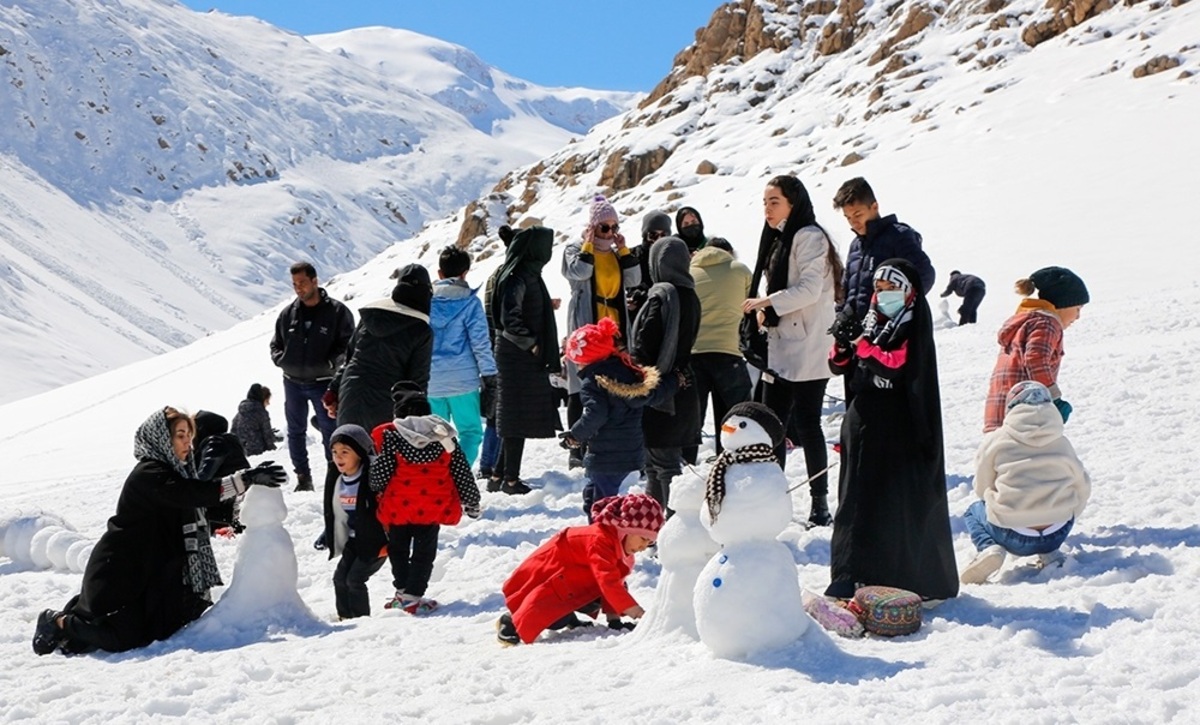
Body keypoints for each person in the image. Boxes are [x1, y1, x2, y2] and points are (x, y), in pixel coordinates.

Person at [32, 407, 286, 655]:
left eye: (189, 435)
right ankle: (57, 622)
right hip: (121, 569)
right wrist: (246, 479)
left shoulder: (178, 471)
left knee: (167, 625)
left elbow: (196, 500)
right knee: (122, 639)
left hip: (152, 570)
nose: (188, 442)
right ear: (161, 438)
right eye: (180, 435)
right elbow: (194, 494)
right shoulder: (149, 472)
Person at [825, 259, 958, 602]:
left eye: (890, 289)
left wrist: (860, 344)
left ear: (908, 292)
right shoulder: (871, 323)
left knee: (890, 504)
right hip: (863, 421)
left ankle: (896, 577)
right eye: (878, 289)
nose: (882, 295)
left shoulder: (911, 326)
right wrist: (842, 344)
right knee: (854, 501)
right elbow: (840, 366)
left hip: (897, 428)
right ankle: (850, 575)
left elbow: (896, 364)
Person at [742, 175, 843, 527]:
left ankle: (819, 503)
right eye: (765, 202)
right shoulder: (781, 237)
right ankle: (773, 498)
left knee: (808, 424)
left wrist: (767, 301)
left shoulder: (808, 236)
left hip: (809, 347)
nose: (768, 209)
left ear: (793, 202)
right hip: (783, 346)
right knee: (773, 425)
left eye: (775, 202)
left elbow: (810, 290)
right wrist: (764, 311)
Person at [961, 381, 1092, 584]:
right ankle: (1049, 553)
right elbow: (1082, 485)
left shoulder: (996, 440)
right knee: (1055, 505)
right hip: (1058, 531)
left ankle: (989, 548)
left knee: (973, 511)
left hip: (1011, 533)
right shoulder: (1062, 442)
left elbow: (981, 486)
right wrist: (1068, 514)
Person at [370, 382, 481, 615]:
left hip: (398, 507)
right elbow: (461, 471)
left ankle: (403, 591)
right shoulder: (444, 437)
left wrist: (375, 490)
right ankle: (413, 595)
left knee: (398, 548)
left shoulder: (391, 437)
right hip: (432, 509)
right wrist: (471, 500)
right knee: (424, 553)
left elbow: (381, 473)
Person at [496, 493, 664, 645]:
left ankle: (567, 614)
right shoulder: (599, 540)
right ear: (625, 529)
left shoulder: (619, 544)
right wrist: (639, 614)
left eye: (649, 543)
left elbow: (616, 580)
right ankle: (510, 621)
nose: (644, 546)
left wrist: (615, 621)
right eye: (642, 538)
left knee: (584, 596)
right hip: (552, 571)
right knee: (548, 611)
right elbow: (609, 583)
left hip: (573, 579)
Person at [560, 317, 679, 518]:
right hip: (628, 452)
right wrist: (674, 381)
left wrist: (575, 435)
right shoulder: (627, 373)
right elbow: (652, 393)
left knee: (601, 507)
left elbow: (595, 413)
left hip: (606, 456)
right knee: (594, 497)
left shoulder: (593, 382)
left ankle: (603, 542)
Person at [562, 195, 640, 468]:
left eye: (614, 227)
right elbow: (580, 272)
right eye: (603, 227)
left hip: (614, 325)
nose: (609, 233)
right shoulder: (575, 248)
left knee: (615, 382)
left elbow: (634, 280)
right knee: (580, 385)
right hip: (587, 325)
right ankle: (576, 446)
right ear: (592, 226)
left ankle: (608, 441)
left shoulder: (616, 254)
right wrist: (588, 244)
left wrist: (625, 250)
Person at [629, 237, 701, 512]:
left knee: (660, 463)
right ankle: (659, 524)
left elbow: (645, 343)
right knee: (662, 460)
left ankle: (670, 522)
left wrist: (634, 367)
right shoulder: (690, 294)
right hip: (683, 385)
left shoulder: (662, 295)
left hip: (660, 389)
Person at [270, 261, 354, 491]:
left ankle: (334, 473)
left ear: (315, 281)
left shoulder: (337, 312)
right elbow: (275, 344)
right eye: (295, 284)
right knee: (295, 431)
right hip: (292, 382)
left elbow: (348, 345)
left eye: (303, 283)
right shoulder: (288, 314)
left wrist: (330, 363)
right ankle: (303, 477)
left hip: (323, 383)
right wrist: (281, 360)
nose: (299, 288)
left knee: (331, 429)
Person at [491, 226, 562, 494]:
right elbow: (511, 319)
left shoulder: (525, 273)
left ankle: (499, 475)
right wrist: (531, 345)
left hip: (517, 353)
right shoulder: (518, 275)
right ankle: (510, 479)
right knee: (515, 415)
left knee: (514, 414)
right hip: (517, 354)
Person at [324, 263, 433, 436]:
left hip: (351, 394)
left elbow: (350, 359)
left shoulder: (371, 316)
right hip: (387, 403)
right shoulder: (421, 330)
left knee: (350, 455)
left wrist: (333, 390)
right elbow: (417, 380)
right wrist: (418, 418)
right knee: (383, 459)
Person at [982, 266, 1089, 433]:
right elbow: (1035, 358)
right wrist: (1054, 399)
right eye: (1077, 309)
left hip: (999, 410)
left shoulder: (1024, 322)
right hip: (1024, 412)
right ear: (1063, 303)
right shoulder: (1047, 323)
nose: (1078, 316)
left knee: (1003, 456)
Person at [828, 177, 935, 341]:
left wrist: (894, 314)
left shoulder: (899, 236)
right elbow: (847, 288)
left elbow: (925, 275)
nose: (854, 222)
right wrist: (842, 316)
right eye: (848, 217)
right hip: (858, 339)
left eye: (858, 214)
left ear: (874, 206)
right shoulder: (855, 245)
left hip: (890, 337)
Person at [428, 246, 497, 469]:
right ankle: (458, 477)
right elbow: (480, 343)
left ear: (439, 274)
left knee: (433, 436)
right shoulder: (470, 303)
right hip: (463, 382)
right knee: (470, 432)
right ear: (465, 273)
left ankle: (435, 480)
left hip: (431, 381)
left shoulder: (425, 302)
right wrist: (489, 375)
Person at [687, 238, 752, 460]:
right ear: (729, 252)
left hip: (694, 354)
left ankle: (686, 469)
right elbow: (754, 307)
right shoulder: (740, 269)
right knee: (736, 417)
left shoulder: (689, 273)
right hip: (728, 352)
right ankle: (732, 462)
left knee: (692, 419)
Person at [315, 424, 388, 619]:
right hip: (354, 540)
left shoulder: (374, 475)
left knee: (355, 580)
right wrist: (327, 533)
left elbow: (389, 509)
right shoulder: (338, 479)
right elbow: (338, 513)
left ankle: (361, 621)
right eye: (335, 451)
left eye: (345, 452)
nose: (338, 457)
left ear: (360, 453)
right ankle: (345, 618)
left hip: (375, 541)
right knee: (340, 579)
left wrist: (389, 540)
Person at [478, 225, 515, 484]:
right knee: (502, 413)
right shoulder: (512, 276)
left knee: (495, 412)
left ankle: (488, 464)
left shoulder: (494, 275)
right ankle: (493, 465)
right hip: (506, 351)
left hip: (491, 350)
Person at [194, 409, 251, 535]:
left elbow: (204, 477)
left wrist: (191, 485)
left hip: (221, 506)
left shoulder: (215, 442)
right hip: (234, 501)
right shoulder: (232, 442)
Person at [626, 210, 673, 322]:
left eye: (663, 235)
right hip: (638, 317)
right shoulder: (632, 255)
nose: (658, 240)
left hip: (667, 315)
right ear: (645, 235)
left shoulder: (673, 256)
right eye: (653, 235)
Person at [230, 383, 278, 457]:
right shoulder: (261, 412)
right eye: (267, 400)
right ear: (262, 399)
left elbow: (233, 432)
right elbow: (267, 435)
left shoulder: (240, 412)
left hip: (241, 451)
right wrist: (274, 451)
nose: (268, 403)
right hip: (257, 451)